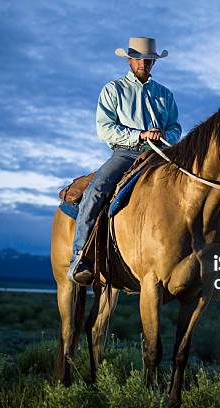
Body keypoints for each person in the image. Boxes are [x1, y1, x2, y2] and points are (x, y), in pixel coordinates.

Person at [68, 37, 182, 285]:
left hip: (160, 154)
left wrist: (166, 136)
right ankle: (80, 257)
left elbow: (175, 127)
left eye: (149, 59)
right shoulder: (113, 89)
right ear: (129, 60)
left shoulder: (164, 94)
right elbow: (105, 128)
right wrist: (140, 135)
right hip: (126, 153)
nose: (144, 63)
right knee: (96, 190)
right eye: (139, 58)